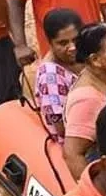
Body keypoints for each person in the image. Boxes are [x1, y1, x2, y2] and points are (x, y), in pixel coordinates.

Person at [62, 23, 106, 179]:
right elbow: (72, 154)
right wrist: (93, 195)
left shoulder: (105, 77)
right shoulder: (88, 99)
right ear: (95, 60)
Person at [30, 8, 83, 138]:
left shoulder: (83, 55)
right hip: (71, 139)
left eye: (75, 40)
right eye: (63, 43)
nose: (72, 47)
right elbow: (61, 129)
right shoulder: (50, 76)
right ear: (50, 42)